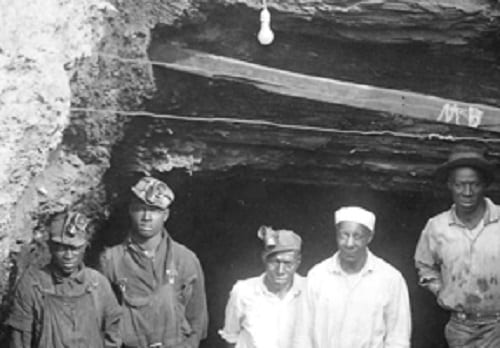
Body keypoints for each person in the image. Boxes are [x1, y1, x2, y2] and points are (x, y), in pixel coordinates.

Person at [100, 176, 208, 348]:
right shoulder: (111, 260)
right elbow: (102, 321)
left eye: (155, 210)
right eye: (140, 209)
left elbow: (197, 321)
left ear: (165, 215)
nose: (146, 217)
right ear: (130, 211)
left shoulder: (186, 259)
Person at [415, 146, 500, 347]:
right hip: (460, 328)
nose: (467, 192)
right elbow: (424, 266)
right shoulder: (436, 227)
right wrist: (443, 290)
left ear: (485, 185)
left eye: (474, 184)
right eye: (460, 185)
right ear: (450, 185)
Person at [297, 206, 411, 348]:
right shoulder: (317, 276)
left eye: (357, 236)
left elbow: (398, 338)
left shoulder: (390, 279)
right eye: (344, 235)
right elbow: (303, 334)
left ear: (369, 237)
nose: (349, 243)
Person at [6, 211, 122, 348]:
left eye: (75, 248)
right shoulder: (32, 284)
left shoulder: (97, 283)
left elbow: (113, 333)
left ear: (85, 247)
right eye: (61, 248)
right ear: (50, 247)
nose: (68, 255)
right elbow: (19, 340)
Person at [219, 225, 304, 348]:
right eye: (275, 262)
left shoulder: (309, 292)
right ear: (264, 259)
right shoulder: (243, 291)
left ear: (298, 262)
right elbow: (230, 337)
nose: (280, 270)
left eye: (288, 263)